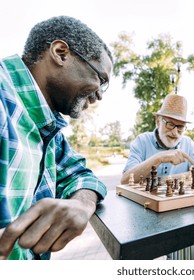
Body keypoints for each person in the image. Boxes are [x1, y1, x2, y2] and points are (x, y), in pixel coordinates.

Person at [0, 16, 113, 260]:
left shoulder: (49, 129)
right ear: (61, 53)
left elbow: (80, 174)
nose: (100, 96)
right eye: (101, 79)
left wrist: (82, 204)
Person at [121, 94, 194, 185]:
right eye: (170, 124)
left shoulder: (188, 144)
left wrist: (171, 178)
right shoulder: (142, 141)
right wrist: (159, 158)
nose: (175, 132)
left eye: (180, 127)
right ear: (158, 121)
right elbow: (125, 180)